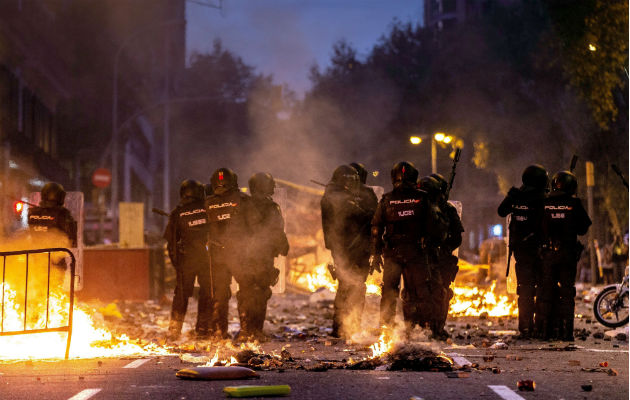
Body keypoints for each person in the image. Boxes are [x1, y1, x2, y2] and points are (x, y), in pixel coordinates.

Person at [371, 162, 445, 337]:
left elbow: (376, 228)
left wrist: (375, 254)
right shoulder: (423, 198)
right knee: (418, 293)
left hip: (392, 253)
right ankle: (417, 329)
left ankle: (386, 328)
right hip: (416, 254)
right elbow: (435, 228)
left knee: (389, 292)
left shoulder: (387, 199)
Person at [536, 171, 591, 341]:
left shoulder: (544, 202)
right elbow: (583, 228)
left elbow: (535, 227)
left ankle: (546, 332)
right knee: (567, 293)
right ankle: (567, 333)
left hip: (548, 254)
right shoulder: (574, 203)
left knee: (546, 292)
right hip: (568, 254)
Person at [205, 168, 259, 339]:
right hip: (239, 253)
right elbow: (256, 226)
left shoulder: (207, 203)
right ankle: (246, 332)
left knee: (219, 294)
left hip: (217, 255)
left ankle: (219, 333)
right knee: (246, 291)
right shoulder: (244, 200)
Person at [321, 165, 374, 338]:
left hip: (357, 248)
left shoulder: (350, 195)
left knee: (355, 286)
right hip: (345, 248)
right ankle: (343, 327)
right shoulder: (335, 196)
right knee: (348, 286)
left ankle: (350, 325)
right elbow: (352, 214)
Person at [497, 164, 548, 339]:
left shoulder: (517, 195)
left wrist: (512, 195)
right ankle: (541, 327)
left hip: (521, 251)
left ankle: (525, 327)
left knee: (525, 290)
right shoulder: (542, 197)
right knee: (542, 289)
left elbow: (501, 211)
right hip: (540, 250)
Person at [239, 172, 289, 340]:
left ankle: (246, 331)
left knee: (246, 292)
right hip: (263, 256)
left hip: (244, 257)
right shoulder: (270, 207)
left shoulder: (242, 205)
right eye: (270, 184)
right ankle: (256, 331)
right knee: (260, 292)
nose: (273, 187)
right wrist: (283, 246)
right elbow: (277, 231)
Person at [163, 179, 212, 340]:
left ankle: (174, 331)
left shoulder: (178, 213)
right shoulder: (207, 209)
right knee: (207, 294)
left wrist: (177, 264)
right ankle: (203, 330)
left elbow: (171, 243)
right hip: (207, 260)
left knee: (181, 296)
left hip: (186, 261)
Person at [422, 173, 464, 338]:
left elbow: (456, 237)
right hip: (426, 257)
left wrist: (443, 247)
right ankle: (427, 327)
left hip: (441, 258)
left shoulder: (447, 209)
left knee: (441, 294)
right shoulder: (424, 208)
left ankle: (436, 327)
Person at [28, 182, 77, 247]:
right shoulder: (63, 213)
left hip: (34, 253)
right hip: (56, 254)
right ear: (60, 197)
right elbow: (72, 240)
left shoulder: (33, 212)